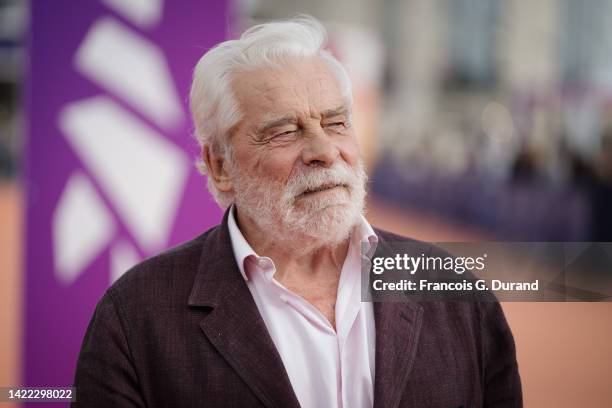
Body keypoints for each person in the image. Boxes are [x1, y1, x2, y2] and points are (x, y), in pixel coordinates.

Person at [72, 16, 522, 408]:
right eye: (285, 132)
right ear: (221, 165)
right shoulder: (136, 315)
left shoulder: (455, 293)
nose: (324, 151)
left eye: (336, 123)